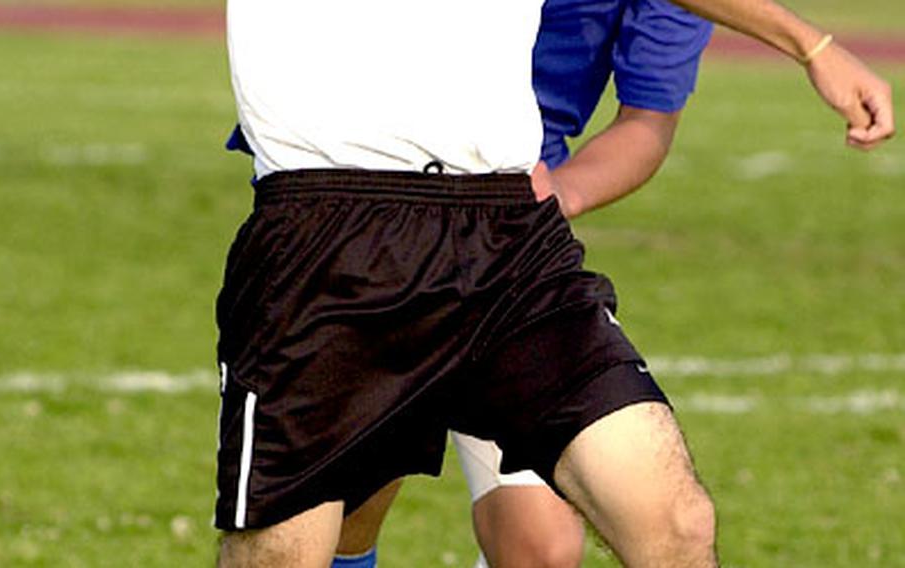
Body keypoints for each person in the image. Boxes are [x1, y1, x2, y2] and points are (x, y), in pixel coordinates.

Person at [214, 1, 894, 567]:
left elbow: (647, 122)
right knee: (286, 551)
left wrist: (812, 45)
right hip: (328, 231)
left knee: (674, 521)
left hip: (507, 232)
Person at [329, 1, 714, 566]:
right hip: (362, 219)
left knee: (544, 548)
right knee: (336, 519)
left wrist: (561, 192)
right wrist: (809, 47)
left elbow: (648, 120)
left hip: (509, 245)